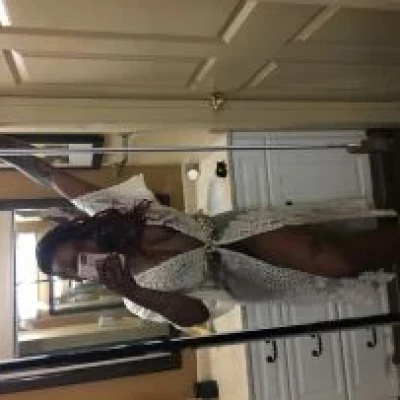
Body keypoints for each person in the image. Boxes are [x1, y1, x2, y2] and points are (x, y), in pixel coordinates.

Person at [1, 134, 398, 329]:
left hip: (236, 232)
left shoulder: (112, 213)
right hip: (245, 282)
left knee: (336, 260)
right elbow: (196, 315)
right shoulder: (135, 300)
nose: (82, 265)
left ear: (80, 234)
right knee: (343, 258)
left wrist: (6, 147)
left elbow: (48, 174)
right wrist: (134, 291)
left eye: (76, 254)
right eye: (73, 270)